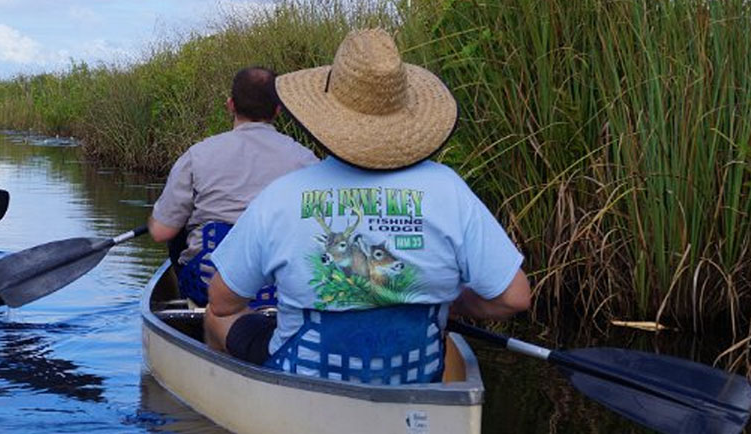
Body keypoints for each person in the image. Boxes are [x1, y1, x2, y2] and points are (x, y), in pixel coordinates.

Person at [202, 29, 532, 385]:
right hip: (412, 375)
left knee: (213, 317)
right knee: (442, 340)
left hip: (303, 379)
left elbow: (222, 301)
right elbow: (513, 297)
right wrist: (455, 304)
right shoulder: (448, 188)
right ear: (406, 112)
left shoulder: (282, 195)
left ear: (326, 114)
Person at [147, 66, 319, 305]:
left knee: (178, 230)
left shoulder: (197, 155)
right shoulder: (306, 160)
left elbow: (160, 232)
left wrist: (163, 216)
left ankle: (191, 305)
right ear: (278, 109)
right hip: (279, 289)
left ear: (230, 105)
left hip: (208, 287)